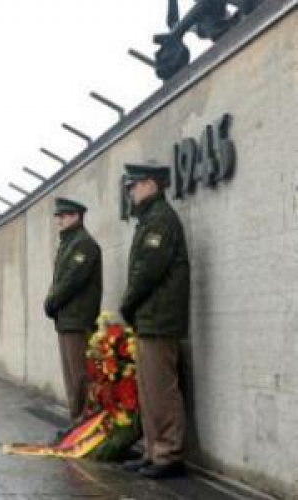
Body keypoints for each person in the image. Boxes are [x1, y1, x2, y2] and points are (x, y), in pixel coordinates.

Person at [120, 164, 190, 479]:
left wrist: (127, 302)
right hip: (150, 316)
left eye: (133, 185)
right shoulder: (150, 218)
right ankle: (153, 450)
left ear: (150, 184)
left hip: (160, 317)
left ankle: (169, 454)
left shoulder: (161, 219)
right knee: (149, 390)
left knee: (161, 388)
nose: (130, 191)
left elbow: (148, 270)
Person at [43, 197, 102, 431]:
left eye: (64, 215)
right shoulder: (68, 244)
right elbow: (59, 280)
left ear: (76, 216)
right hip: (66, 319)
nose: (59, 220)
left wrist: (51, 302)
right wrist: (53, 302)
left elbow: (72, 281)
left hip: (78, 319)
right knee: (71, 377)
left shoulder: (84, 244)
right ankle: (77, 422)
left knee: (80, 377)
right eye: (58, 216)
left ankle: (85, 425)